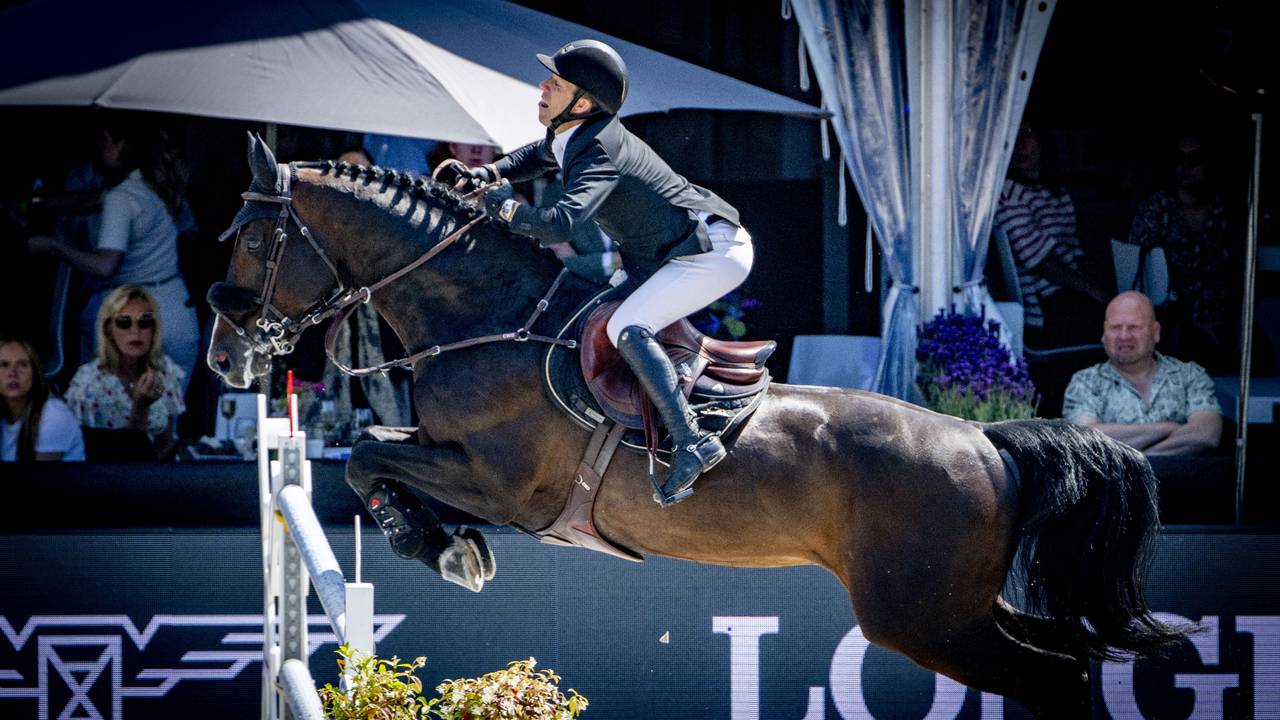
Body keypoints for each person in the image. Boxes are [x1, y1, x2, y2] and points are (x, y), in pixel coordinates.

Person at [439, 39, 753, 506]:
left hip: (710, 252)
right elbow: (540, 154)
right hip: (670, 252)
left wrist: (502, 208)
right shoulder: (578, 133)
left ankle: (691, 440)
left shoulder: (601, 150)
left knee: (628, 325)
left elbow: (562, 223)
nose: (543, 85)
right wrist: (490, 173)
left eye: (557, 83)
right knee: (591, 313)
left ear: (582, 103)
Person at [27, 118, 200, 389]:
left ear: (121, 145)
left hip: (134, 316)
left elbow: (105, 265)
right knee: (167, 418)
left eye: (104, 139)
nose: (98, 146)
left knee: (121, 418)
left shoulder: (121, 197)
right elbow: (93, 199)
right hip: (176, 309)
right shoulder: (153, 184)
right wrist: (32, 204)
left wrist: (54, 246)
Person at [1127, 129, 1237, 373]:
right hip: (1171, 324)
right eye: (1179, 160)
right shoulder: (1155, 209)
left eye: (1195, 160)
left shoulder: (1227, 211)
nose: (1186, 167)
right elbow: (1138, 277)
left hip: (1224, 320)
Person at [1062, 291, 1222, 456]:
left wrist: (1141, 465)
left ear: (1155, 332)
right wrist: (1167, 428)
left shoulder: (1190, 376)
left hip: (1182, 480)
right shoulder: (1085, 382)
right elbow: (1085, 440)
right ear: (1104, 334)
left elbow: (1207, 434)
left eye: (1134, 327)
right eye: (1115, 327)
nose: (1124, 336)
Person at [65, 284, 186, 460]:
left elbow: (165, 446)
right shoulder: (88, 382)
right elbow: (113, 456)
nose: (135, 331)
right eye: (124, 322)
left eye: (145, 321)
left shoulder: (165, 370)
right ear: (109, 329)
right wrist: (140, 408)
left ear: (154, 329)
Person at [1, 335, 84, 462]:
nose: (13, 373)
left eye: (22, 365)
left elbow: (39, 479)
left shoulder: (54, 413)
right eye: (4, 365)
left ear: (35, 372)